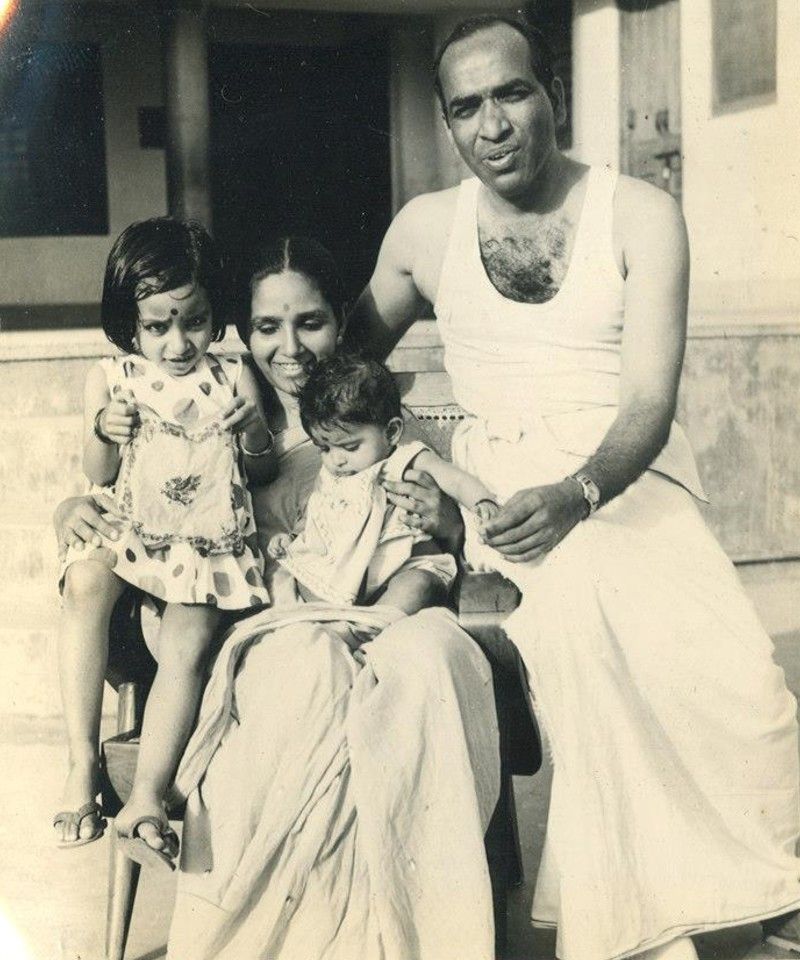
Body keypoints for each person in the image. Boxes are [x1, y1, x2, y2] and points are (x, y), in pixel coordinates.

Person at [346, 14, 800, 960]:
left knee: (747, 686)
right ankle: (637, 927)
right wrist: (423, 454)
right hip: (497, 498)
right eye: (467, 107)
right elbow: (343, 373)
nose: (493, 125)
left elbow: (648, 404)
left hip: (622, 484)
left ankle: (765, 884)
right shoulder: (424, 230)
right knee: (585, 621)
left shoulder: (639, 213)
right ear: (446, 120)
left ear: (552, 92)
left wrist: (578, 493)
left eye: (512, 94)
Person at [54, 237, 501, 959]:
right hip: (263, 625)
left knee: (417, 666)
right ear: (242, 331)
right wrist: (70, 506)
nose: (290, 349)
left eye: (311, 322)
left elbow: (443, 544)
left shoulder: (379, 417)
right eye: (268, 327)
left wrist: (446, 522)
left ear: (341, 321)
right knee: (306, 666)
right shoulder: (227, 407)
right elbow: (138, 492)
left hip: (381, 616)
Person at [53, 218, 275, 861]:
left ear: (215, 314)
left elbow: (261, 471)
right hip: (131, 523)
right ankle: (80, 761)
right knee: (85, 578)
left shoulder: (231, 376)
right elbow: (98, 475)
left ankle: (147, 794)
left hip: (203, 538)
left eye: (195, 322)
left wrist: (253, 431)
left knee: (189, 635)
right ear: (130, 323)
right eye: (157, 327)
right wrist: (104, 429)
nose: (178, 344)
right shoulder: (112, 376)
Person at [268, 353, 496, 608]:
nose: (336, 459)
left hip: (401, 564)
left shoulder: (403, 459)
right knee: (305, 579)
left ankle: (377, 619)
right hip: (344, 569)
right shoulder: (333, 472)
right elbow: (318, 511)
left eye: (350, 447)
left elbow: (455, 479)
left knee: (419, 585)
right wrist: (293, 536)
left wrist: (481, 501)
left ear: (391, 432)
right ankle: (344, 619)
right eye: (324, 448)